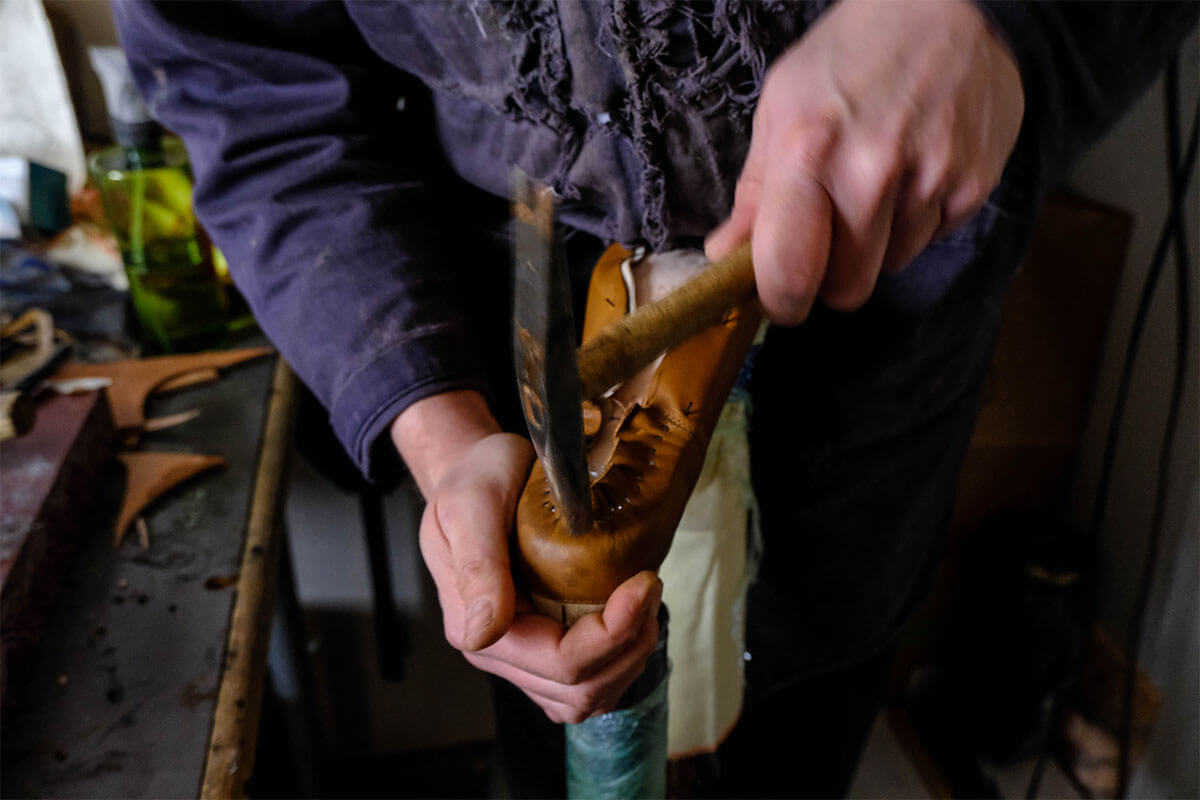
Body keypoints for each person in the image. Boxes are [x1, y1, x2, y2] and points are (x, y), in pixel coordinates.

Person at [115, 1, 1196, 795]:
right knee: (565, 727)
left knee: (804, 714)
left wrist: (986, 21)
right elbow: (241, 79)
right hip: (510, 404)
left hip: (877, 351)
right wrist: (443, 441)